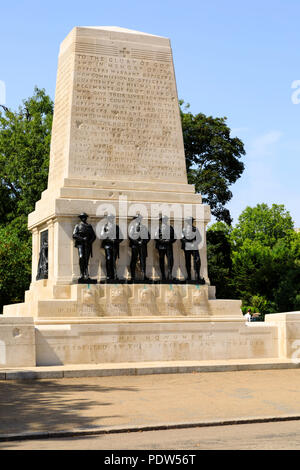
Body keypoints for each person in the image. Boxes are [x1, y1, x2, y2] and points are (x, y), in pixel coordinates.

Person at [73, 212, 96, 282]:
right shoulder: (78, 226)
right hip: (80, 244)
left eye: (85, 217)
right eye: (82, 217)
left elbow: (94, 236)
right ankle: (81, 274)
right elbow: (74, 235)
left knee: (86, 259)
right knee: (81, 257)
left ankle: (86, 274)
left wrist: (89, 241)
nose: (84, 218)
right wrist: (82, 239)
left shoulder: (89, 226)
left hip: (87, 245)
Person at [181, 216, 204, 283]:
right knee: (187, 261)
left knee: (197, 260)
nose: (191, 222)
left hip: (194, 246)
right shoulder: (184, 229)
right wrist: (188, 243)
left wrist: (195, 243)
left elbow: (199, 238)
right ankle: (189, 276)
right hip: (187, 246)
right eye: (190, 221)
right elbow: (182, 238)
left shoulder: (195, 229)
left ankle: (197, 275)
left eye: (192, 221)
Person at [100, 214, 122, 281]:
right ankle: (109, 275)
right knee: (109, 259)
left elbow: (121, 237)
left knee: (113, 260)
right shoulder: (105, 226)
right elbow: (102, 235)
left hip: (114, 245)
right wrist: (108, 237)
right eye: (110, 218)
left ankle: (114, 275)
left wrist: (116, 241)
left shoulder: (116, 227)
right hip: (107, 245)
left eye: (112, 218)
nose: (111, 219)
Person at [128, 214, 150, 281]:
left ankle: (143, 275)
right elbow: (130, 236)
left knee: (143, 261)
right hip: (135, 246)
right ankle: (133, 276)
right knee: (134, 260)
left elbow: (148, 237)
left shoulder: (144, 227)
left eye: (139, 219)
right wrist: (137, 242)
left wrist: (143, 242)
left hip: (142, 246)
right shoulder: (132, 227)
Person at [154, 215, 176, 281]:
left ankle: (170, 274)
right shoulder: (158, 228)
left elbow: (174, 237)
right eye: (163, 220)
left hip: (169, 245)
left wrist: (169, 241)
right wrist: (163, 241)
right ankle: (163, 275)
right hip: (161, 246)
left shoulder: (170, 228)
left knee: (170, 260)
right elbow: (156, 237)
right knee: (161, 260)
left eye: (165, 219)